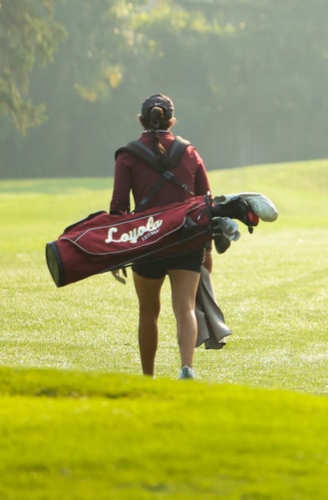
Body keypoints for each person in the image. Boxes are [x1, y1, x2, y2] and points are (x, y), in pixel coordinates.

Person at [109, 94, 211, 380]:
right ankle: (186, 369)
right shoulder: (190, 152)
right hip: (186, 240)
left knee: (148, 312)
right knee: (185, 307)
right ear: (172, 120)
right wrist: (209, 251)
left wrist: (116, 252)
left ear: (142, 120)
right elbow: (206, 203)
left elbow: (118, 208)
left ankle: (148, 377)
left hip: (148, 243)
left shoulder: (128, 155)